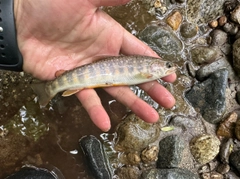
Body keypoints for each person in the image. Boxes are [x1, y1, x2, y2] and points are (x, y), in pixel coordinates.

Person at [12, 0, 176, 131]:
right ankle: (48, 88)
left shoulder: (148, 70)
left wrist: (15, 15)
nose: (170, 68)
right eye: (167, 65)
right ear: (154, 65)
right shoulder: (146, 73)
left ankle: (49, 88)